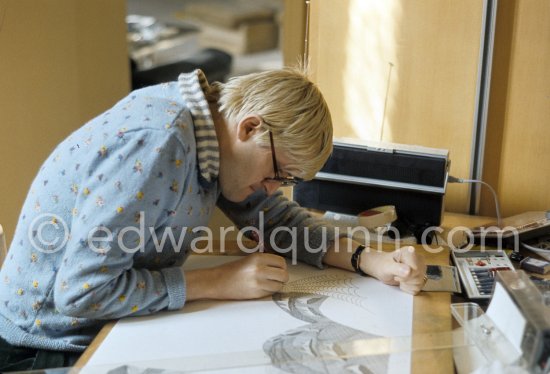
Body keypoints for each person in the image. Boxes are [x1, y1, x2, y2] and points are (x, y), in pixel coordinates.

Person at [0, 66, 426, 371]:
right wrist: (217, 282)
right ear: (250, 128)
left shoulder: (213, 137)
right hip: (44, 344)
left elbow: (278, 223)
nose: (272, 188)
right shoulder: (159, 144)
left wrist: (369, 260)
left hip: (103, 327)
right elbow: (79, 293)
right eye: (277, 174)